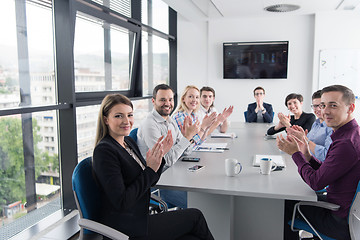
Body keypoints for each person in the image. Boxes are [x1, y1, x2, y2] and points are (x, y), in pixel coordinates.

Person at [92, 93, 214, 240]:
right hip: (126, 226)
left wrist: (160, 157)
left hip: (140, 216)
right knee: (196, 216)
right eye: (118, 116)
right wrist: (149, 169)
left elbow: (149, 180)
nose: (126, 121)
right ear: (106, 119)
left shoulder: (128, 142)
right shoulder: (105, 151)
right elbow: (122, 201)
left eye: (129, 115)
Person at [276, 85, 360, 240]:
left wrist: (295, 153)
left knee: (281, 205)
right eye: (323, 105)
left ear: (351, 108)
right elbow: (328, 171)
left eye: (333, 105)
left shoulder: (346, 143)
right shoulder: (348, 134)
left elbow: (316, 182)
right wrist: (307, 155)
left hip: (338, 220)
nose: (325, 111)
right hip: (341, 209)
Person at [137, 84, 199, 209]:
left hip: (175, 175)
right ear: (153, 101)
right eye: (163, 100)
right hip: (161, 182)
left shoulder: (170, 121)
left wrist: (187, 137)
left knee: (203, 193)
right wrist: (187, 138)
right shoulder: (150, 124)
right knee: (200, 203)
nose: (168, 103)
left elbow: (188, 151)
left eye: (170, 99)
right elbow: (166, 161)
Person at [286, 90, 333, 162]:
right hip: (307, 162)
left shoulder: (331, 128)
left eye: (321, 105)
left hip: (318, 167)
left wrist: (305, 139)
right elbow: (306, 146)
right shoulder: (316, 124)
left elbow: (325, 156)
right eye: (315, 106)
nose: (317, 109)